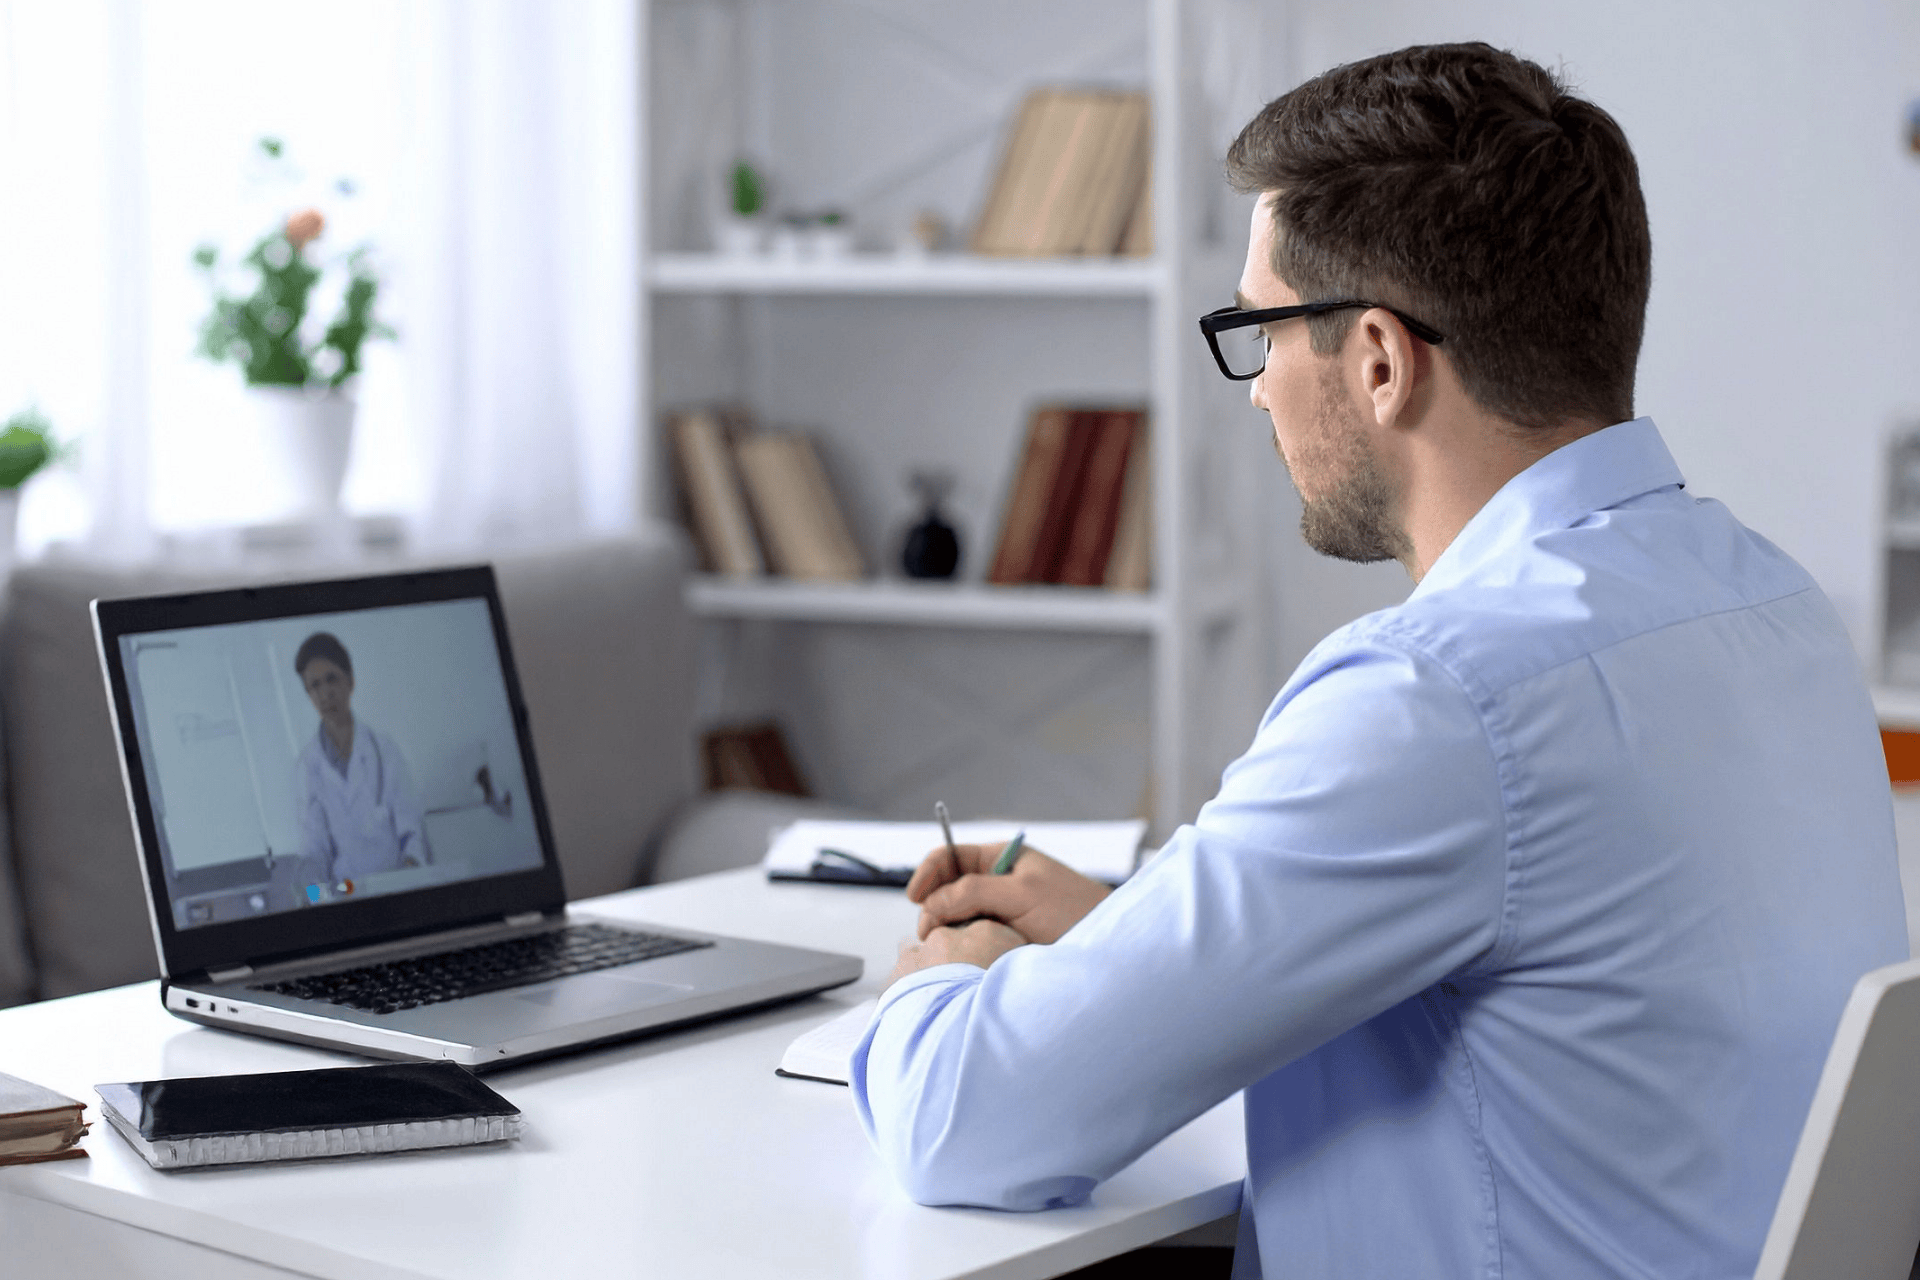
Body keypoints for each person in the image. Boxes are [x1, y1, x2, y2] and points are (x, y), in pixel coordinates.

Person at [851, 43, 1909, 1279]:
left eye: (1258, 328)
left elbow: (961, 1120)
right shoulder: (1771, 609)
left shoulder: (1444, 694)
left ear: (1378, 360)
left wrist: (945, 978)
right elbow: (1527, 971)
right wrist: (1122, 944)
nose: (1254, 394)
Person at [293, 631, 427, 884]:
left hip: (397, 883)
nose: (325, 694)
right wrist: (314, 898)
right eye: (315, 686)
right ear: (309, 695)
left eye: (332, 679)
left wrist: (410, 878)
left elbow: (411, 831)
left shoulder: (385, 751)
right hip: (348, 892)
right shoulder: (306, 768)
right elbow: (313, 851)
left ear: (350, 681)